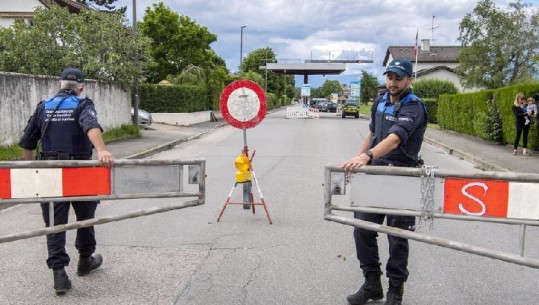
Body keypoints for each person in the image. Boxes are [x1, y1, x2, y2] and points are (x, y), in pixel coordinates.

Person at [18, 68, 114, 295]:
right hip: (79, 170)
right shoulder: (83, 104)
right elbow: (91, 126)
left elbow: (27, 143)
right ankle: (85, 260)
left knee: (55, 223)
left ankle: (59, 275)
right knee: (85, 218)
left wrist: (33, 170)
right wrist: (102, 150)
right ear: (81, 86)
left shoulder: (44, 107)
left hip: (50, 171)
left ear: (60, 84)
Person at [341, 58, 427, 305]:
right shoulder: (380, 101)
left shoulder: (414, 106)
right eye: (390, 77)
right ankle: (372, 283)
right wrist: (358, 159)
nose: (392, 82)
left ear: (409, 79)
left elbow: (395, 138)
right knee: (362, 230)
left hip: (401, 176)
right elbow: (372, 133)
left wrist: (367, 156)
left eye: (398, 78)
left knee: (397, 237)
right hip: (375, 175)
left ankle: (395, 292)